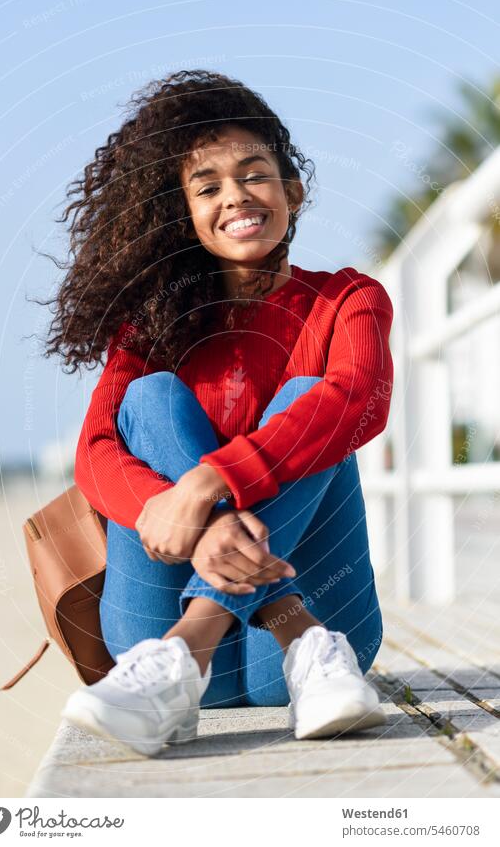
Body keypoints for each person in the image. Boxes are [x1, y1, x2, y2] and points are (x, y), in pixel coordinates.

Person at [40, 70, 394, 756]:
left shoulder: (350, 299)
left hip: (300, 654)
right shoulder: (152, 327)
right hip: (159, 618)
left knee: (308, 401)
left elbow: (359, 398)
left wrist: (206, 487)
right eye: (207, 187)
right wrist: (180, 516)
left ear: (291, 191)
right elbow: (95, 451)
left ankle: (190, 653)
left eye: (254, 175)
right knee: (149, 399)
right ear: (185, 213)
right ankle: (242, 637)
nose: (236, 197)